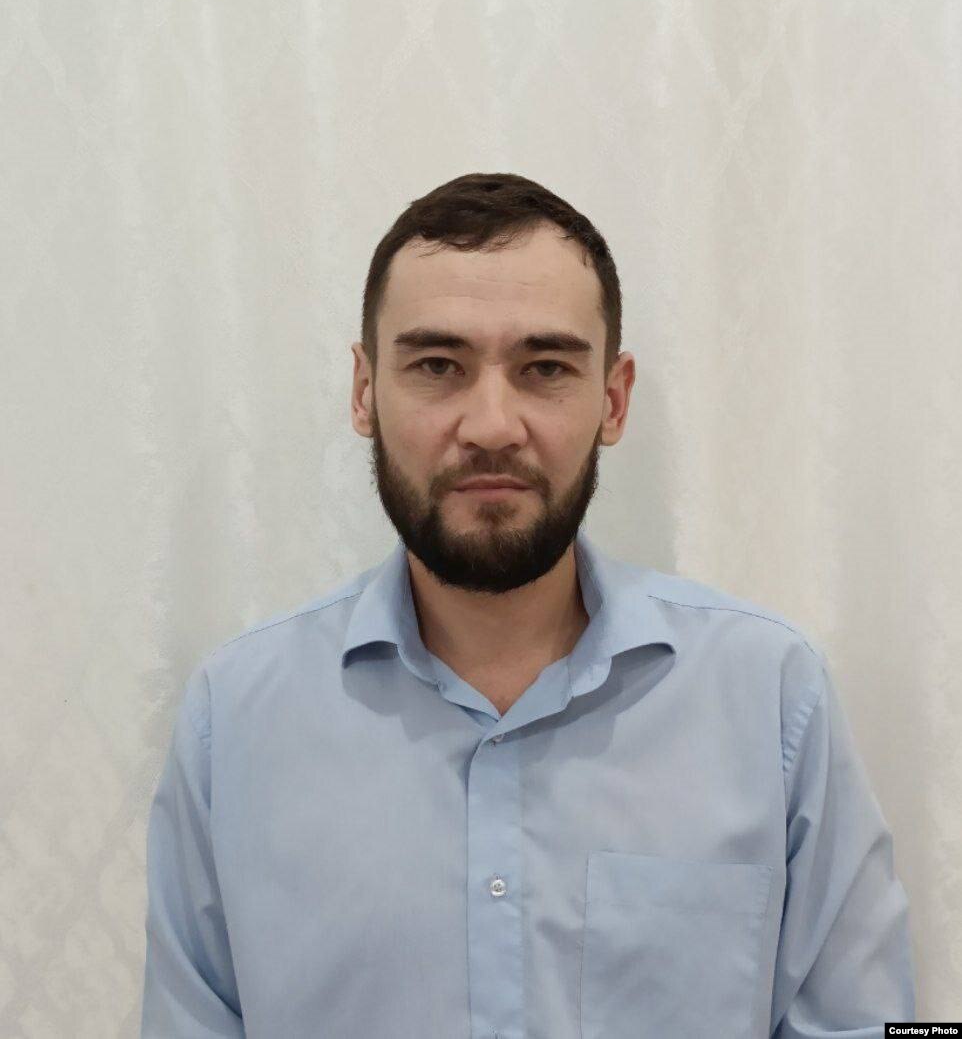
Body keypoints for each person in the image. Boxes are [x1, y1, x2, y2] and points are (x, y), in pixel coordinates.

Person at [140, 173, 916, 1037]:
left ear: (612, 399)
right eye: (438, 366)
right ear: (364, 391)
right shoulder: (235, 720)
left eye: (545, 368)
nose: (491, 425)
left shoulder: (770, 697)